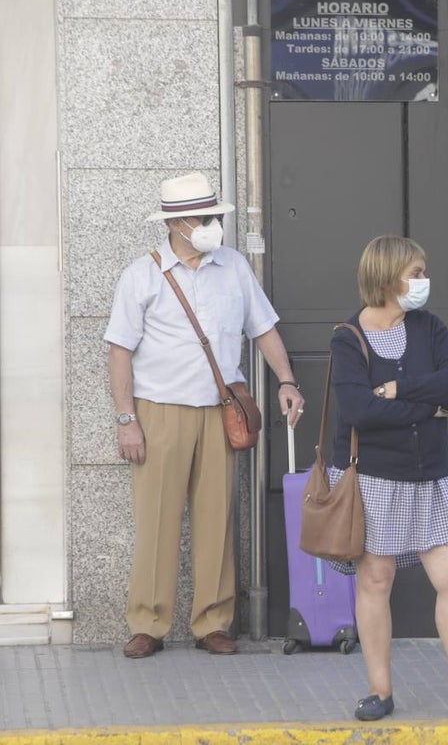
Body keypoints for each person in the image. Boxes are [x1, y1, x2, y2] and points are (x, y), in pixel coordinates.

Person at [105, 172, 304, 659]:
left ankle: (213, 622)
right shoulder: (142, 275)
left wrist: (287, 379)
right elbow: (118, 350)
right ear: (174, 223)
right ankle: (148, 624)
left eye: (214, 215)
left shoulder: (233, 266)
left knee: (217, 519)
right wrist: (127, 419)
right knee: (156, 520)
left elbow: (264, 327)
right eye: (200, 217)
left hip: (220, 412)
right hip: (160, 411)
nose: (210, 224)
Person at [329, 235, 448, 720]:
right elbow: (357, 411)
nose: (422, 281)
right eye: (415, 272)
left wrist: (401, 389)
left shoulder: (429, 327)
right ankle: (380, 692)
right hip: (374, 477)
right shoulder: (348, 337)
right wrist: (429, 407)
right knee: (376, 579)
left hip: (431, 474)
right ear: (388, 276)